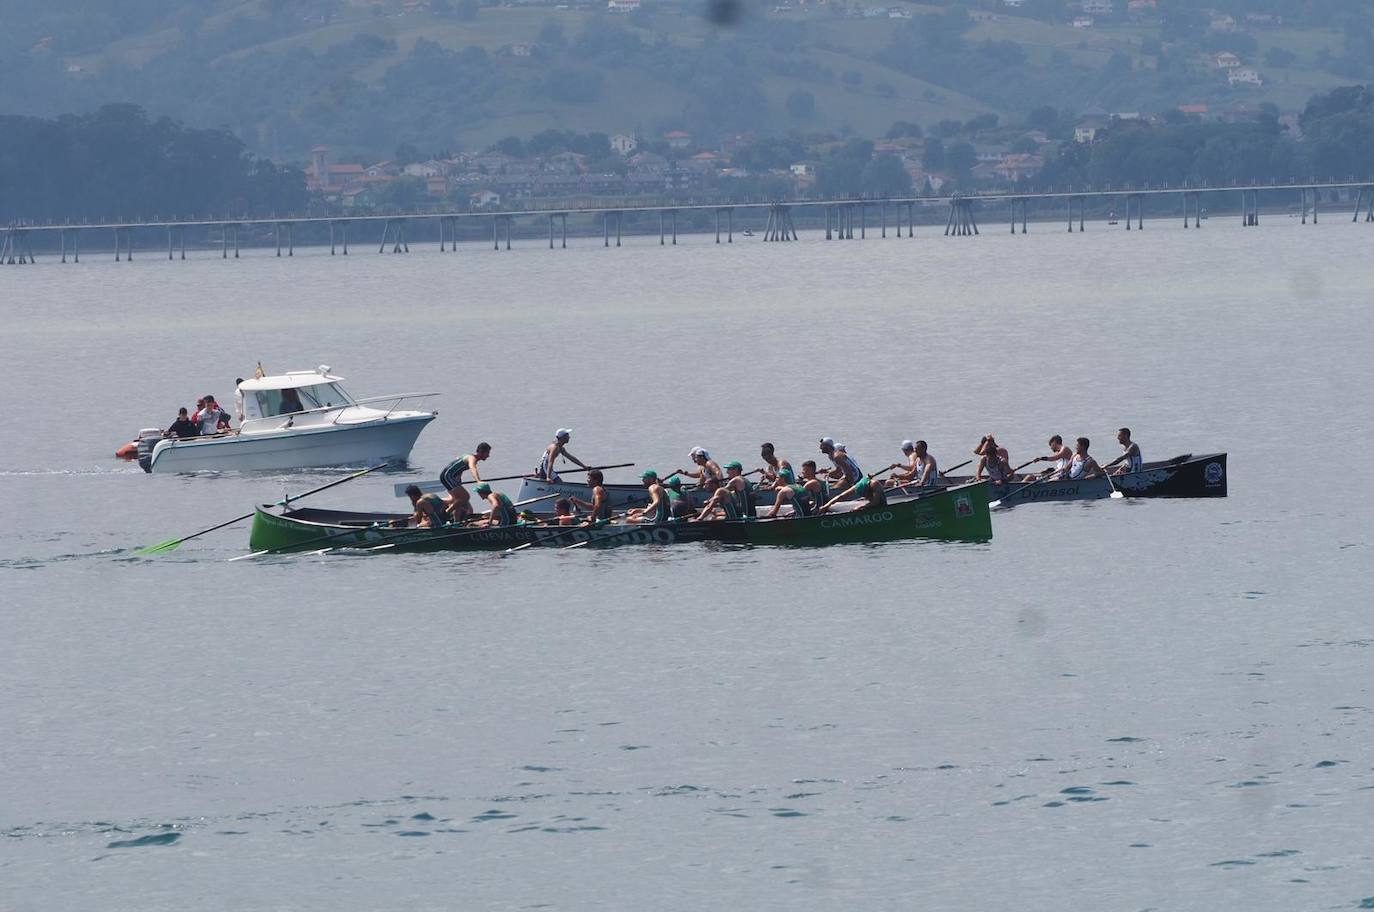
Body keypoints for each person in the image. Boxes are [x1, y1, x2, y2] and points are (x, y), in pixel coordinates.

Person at [439, 443, 491, 523]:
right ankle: (446, 513)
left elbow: (458, 463)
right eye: (487, 453)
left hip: (449, 476)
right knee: (465, 497)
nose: (488, 456)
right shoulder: (472, 458)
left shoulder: (468, 456)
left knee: (455, 500)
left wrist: (458, 479)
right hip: (448, 476)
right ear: (481, 451)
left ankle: (456, 522)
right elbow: (473, 468)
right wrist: (478, 481)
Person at [822, 474, 889, 512]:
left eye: (865, 495)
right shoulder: (856, 487)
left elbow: (875, 503)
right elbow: (841, 496)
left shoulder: (874, 484)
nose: (865, 496)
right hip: (869, 504)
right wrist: (826, 505)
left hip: (881, 505)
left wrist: (859, 507)